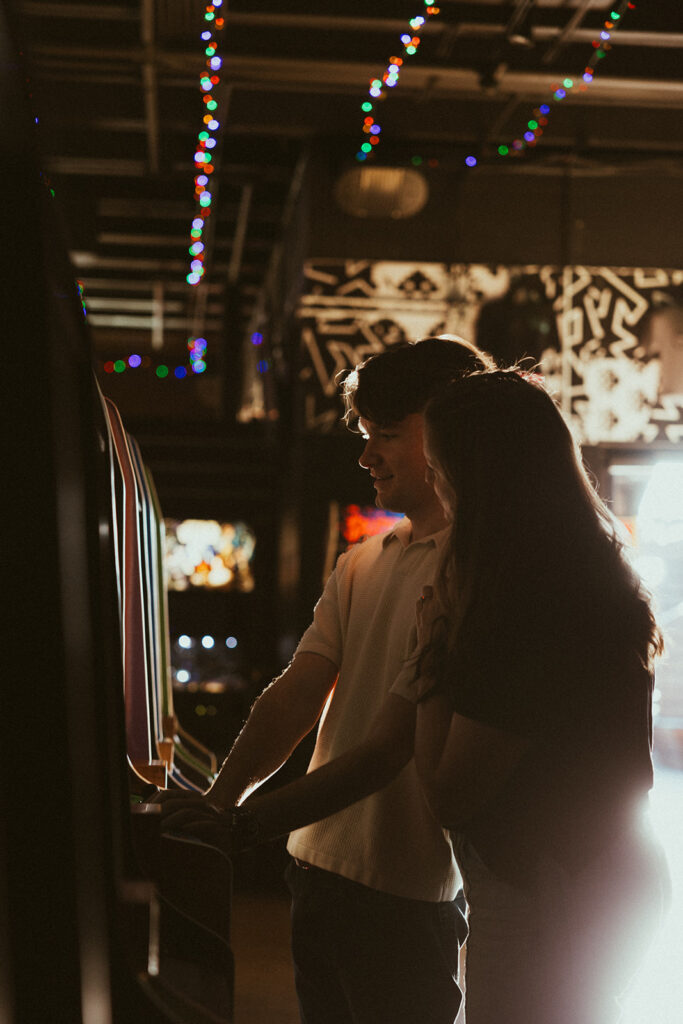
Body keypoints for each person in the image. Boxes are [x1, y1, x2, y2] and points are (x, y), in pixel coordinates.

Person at [159, 336, 497, 1024]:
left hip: (410, 885)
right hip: (313, 865)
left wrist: (242, 822)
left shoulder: (477, 573)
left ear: (446, 429)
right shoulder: (362, 563)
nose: (365, 455)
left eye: (387, 436)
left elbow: (386, 749)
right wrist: (221, 801)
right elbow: (294, 695)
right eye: (365, 435)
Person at [399, 369, 670, 1024]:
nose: (433, 483)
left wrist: (431, 651)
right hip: (598, 870)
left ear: (478, 478)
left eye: (439, 467)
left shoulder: (526, 605)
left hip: (549, 890)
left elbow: (448, 795)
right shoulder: (587, 566)